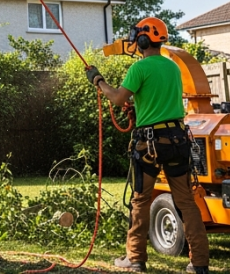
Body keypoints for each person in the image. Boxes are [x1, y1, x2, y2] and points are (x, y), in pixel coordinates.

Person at [85, 17, 210, 274]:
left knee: (140, 201)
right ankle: (199, 263)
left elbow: (119, 98)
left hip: (150, 143)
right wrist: (140, 106)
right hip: (177, 139)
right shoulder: (173, 67)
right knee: (186, 202)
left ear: (143, 40)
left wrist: (98, 81)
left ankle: (136, 259)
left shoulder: (139, 69)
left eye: (137, 38)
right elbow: (156, 99)